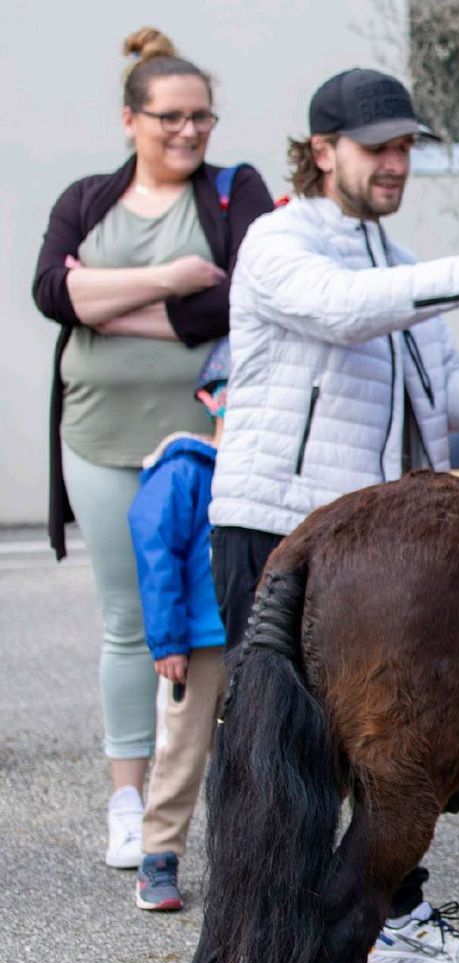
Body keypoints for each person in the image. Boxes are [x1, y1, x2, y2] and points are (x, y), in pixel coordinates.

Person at [210, 67, 459, 963]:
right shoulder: (276, 240)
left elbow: (441, 401)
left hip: (357, 554)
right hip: (270, 524)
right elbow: (339, 313)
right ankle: (260, 939)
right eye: (380, 147)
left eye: (407, 147)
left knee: (377, 748)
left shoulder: (400, 266)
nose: (397, 163)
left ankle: (385, 917)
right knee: (282, 760)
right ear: (323, 151)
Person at [30, 28, 275, 871]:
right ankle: (128, 801)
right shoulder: (88, 198)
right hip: (98, 437)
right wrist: (169, 282)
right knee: (129, 622)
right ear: (130, 118)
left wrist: (104, 304)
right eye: (170, 116)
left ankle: (219, 804)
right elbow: (47, 292)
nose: (189, 131)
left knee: (213, 625)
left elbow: (243, 298)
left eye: (201, 116)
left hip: (204, 449)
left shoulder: (232, 192)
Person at [125, 342, 232, 911]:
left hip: (249, 635)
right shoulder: (185, 469)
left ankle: (246, 859)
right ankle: (158, 856)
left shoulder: (258, 477)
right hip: (197, 642)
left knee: (250, 750)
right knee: (184, 749)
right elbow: (156, 553)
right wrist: (167, 640)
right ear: (208, 398)